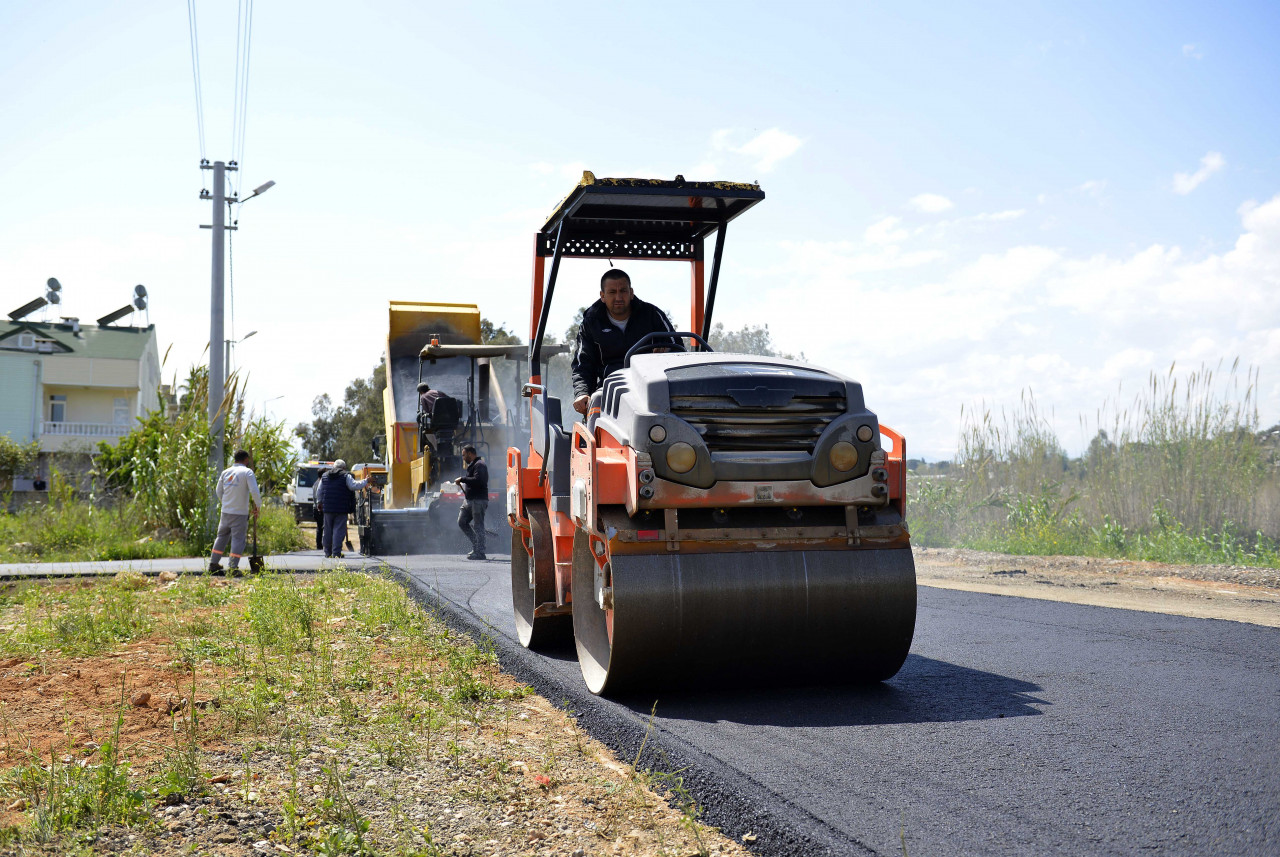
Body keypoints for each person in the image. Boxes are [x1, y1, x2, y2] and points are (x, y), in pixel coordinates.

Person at [571, 268, 682, 416]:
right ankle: (592, 439)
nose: (618, 297)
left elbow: (678, 350)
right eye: (612, 292)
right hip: (610, 386)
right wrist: (582, 393)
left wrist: (666, 354)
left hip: (651, 383)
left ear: (631, 293)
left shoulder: (652, 315)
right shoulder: (591, 323)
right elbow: (583, 364)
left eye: (623, 291)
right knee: (596, 399)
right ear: (602, 296)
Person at [209, 449, 261, 573]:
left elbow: (218, 491)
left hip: (225, 512)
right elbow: (254, 490)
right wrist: (257, 506)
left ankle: (213, 564)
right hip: (240, 513)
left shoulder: (225, 472)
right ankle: (232, 568)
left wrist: (226, 503)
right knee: (238, 539)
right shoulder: (247, 472)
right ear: (246, 459)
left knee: (221, 537)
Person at [316, 459, 377, 558]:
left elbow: (319, 491)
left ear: (334, 467)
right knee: (338, 530)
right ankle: (336, 553)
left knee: (327, 530)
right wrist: (366, 481)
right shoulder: (346, 476)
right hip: (341, 508)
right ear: (344, 468)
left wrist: (319, 502)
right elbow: (354, 486)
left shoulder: (325, 476)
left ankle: (327, 552)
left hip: (328, 508)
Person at [454, 445, 489, 560]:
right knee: (462, 522)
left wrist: (463, 479)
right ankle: (476, 546)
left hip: (478, 501)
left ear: (470, 453)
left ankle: (480, 552)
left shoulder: (480, 465)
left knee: (478, 526)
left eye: (464, 455)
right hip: (469, 501)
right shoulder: (473, 465)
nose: (463, 457)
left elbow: (478, 481)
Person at [311, 466, 329, 550]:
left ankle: (319, 545)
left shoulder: (315, 483)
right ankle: (321, 545)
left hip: (316, 508)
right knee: (322, 527)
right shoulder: (320, 484)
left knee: (319, 528)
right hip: (319, 509)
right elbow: (318, 497)